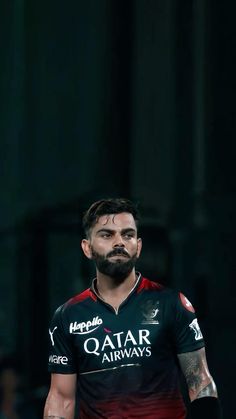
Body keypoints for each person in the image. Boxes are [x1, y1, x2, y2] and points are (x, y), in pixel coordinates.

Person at [43, 198, 222, 419]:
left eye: (127, 235)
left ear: (138, 246)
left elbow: (200, 382)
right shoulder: (67, 316)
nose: (119, 242)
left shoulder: (171, 303)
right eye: (107, 235)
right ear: (87, 248)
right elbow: (61, 398)